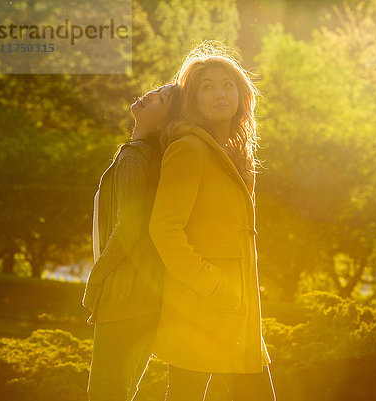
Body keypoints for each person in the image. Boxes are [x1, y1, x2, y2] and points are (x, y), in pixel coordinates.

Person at [148, 43, 276, 401]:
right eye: (207, 86)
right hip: (201, 309)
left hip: (237, 313)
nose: (220, 94)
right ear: (193, 99)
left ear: (242, 94)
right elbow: (164, 228)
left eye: (228, 85)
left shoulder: (235, 155)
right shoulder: (188, 149)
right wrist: (211, 286)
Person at [83, 83, 180, 401]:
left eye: (162, 98)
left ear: (167, 120)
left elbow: (127, 228)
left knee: (105, 392)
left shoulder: (134, 158)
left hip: (124, 293)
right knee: (122, 392)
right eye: (155, 90)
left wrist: (97, 277)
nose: (150, 95)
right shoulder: (151, 159)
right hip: (148, 297)